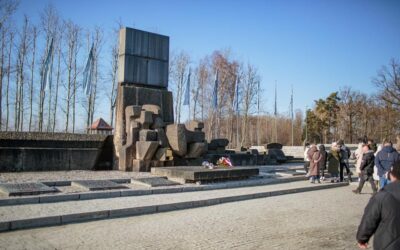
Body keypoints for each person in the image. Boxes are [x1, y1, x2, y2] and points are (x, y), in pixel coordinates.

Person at [356, 160, 400, 249]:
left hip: (388, 243)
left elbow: (370, 218)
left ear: (392, 175)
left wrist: (362, 238)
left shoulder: (382, 195)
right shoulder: (382, 195)